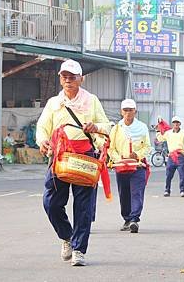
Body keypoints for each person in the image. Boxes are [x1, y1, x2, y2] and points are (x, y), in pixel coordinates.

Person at [36, 59, 110, 267]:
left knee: (83, 207)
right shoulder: (54, 103)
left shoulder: (92, 100)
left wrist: (95, 127)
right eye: (64, 77)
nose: (68, 80)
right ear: (60, 79)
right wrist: (43, 142)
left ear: (81, 79)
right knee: (51, 202)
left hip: (85, 157)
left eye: (72, 77)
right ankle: (66, 236)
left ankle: (78, 249)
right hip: (59, 158)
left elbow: (107, 126)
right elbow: (42, 127)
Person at [109, 99, 151, 233]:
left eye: (130, 110)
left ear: (135, 111)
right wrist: (119, 158)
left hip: (137, 166)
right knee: (124, 193)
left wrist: (137, 154)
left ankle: (134, 219)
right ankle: (127, 218)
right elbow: (111, 148)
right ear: (121, 112)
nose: (128, 113)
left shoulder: (142, 127)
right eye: (125, 110)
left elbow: (148, 147)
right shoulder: (116, 129)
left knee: (137, 193)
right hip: (121, 166)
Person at [156, 116, 184, 197]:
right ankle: (167, 190)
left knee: (183, 174)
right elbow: (161, 139)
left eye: (177, 122)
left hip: (180, 155)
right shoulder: (168, 133)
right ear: (172, 124)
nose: (176, 124)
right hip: (171, 156)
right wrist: (158, 130)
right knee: (168, 175)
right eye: (174, 122)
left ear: (180, 124)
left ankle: (182, 190)